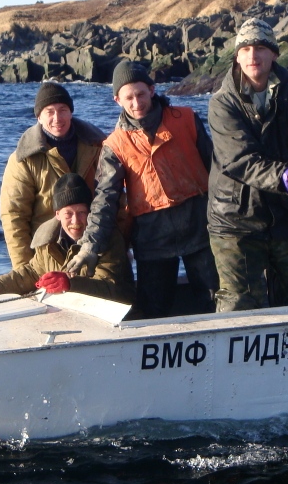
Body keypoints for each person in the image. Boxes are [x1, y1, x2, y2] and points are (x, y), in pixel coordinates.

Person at [65, 60, 216, 318]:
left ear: (152, 90)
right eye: (129, 98)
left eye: (141, 94)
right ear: (117, 100)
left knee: (214, 298)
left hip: (200, 228)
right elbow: (105, 200)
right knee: (153, 309)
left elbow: (217, 171)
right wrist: (89, 247)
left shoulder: (187, 119)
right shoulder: (114, 145)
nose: (136, 103)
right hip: (152, 238)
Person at [207, 17, 288, 311]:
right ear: (237, 56)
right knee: (238, 304)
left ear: (274, 54)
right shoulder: (222, 102)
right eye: (246, 49)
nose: (253, 55)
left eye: (261, 48)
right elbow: (240, 160)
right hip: (235, 220)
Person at [0, 173, 133, 302]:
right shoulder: (47, 241)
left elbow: (113, 289)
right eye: (68, 214)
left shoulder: (107, 239)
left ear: (91, 213)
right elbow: (30, 273)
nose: (75, 221)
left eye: (81, 213)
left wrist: (70, 284)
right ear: (57, 214)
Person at [0, 82, 106, 270]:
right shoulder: (23, 160)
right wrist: (24, 269)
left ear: (71, 112)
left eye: (62, 110)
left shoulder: (99, 147)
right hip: (48, 255)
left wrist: (120, 246)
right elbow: (14, 216)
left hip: (95, 247)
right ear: (39, 117)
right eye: (49, 111)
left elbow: (116, 200)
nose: (57, 118)